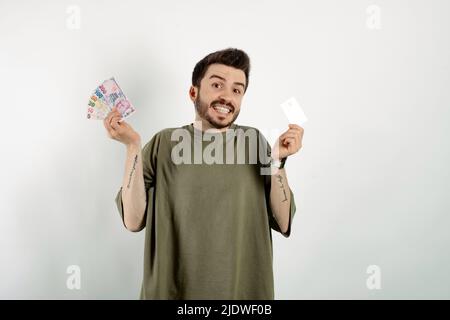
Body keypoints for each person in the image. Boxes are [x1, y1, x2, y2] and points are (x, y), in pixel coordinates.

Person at [103, 48, 304, 299]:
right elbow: (132, 221)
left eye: (236, 90)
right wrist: (132, 147)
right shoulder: (164, 144)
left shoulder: (254, 142)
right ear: (193, 92)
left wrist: (278, 161)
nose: (227, 97)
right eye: (217, 84)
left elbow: (283, 221)